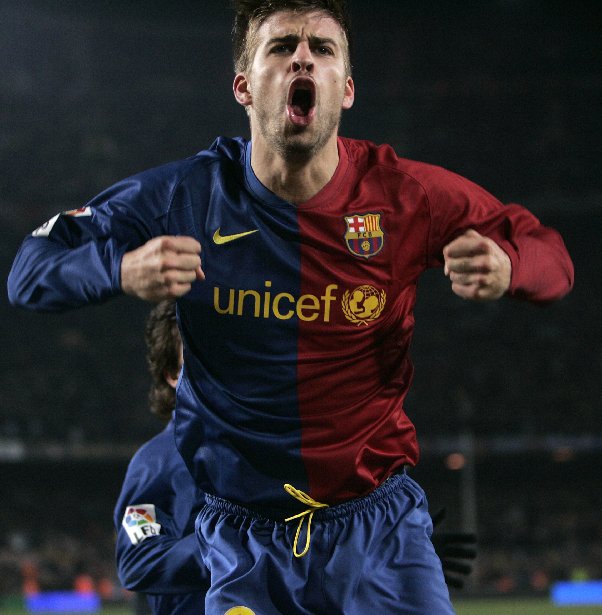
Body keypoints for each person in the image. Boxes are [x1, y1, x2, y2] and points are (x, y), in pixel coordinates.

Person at [8, 0, 574, 612]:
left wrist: (510, 266)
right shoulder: (183, 196)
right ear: (244, 87)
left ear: (346, 89)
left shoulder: (406, 195)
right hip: (244, 541)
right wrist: (118, 268)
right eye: (281, 47)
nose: (302, 57)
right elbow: (30, 269)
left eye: (322, 48)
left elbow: (552, 255)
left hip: (378, 529)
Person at [113, 301, 208, 614]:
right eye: (197, 358)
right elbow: (138, 559)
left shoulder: (263, 445)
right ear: (172, 375)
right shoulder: (155, 462)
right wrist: (223, 547)